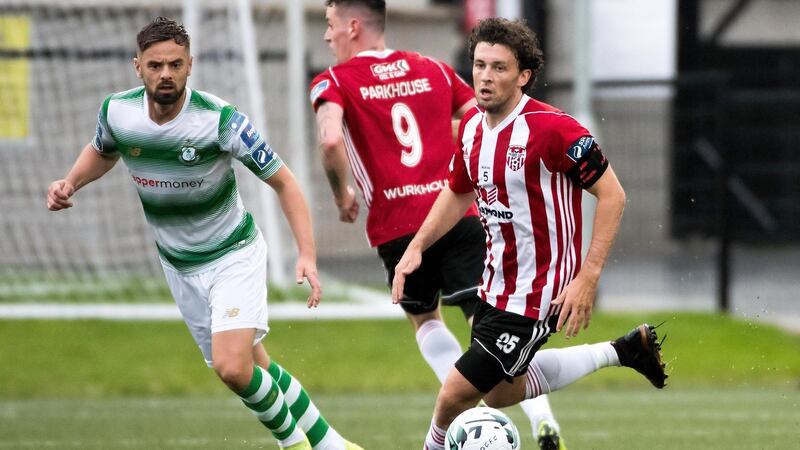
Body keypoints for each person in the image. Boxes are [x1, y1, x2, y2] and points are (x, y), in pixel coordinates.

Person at [46, 17, 361, 450]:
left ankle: (296, 445)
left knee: (233, 369)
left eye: (175, 64)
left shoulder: (220, 120)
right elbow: (104, 150)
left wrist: (306, 252)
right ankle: (335, 446)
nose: (166, 74)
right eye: (156, 65)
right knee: (255, 367)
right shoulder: (117, 112)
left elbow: (285, 181)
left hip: (233, 255)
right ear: (137, 66)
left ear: (190, 65)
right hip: (178, 265)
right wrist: (70, 183)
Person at [390, 18, 668, 450]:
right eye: (479, 65)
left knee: (454, 396)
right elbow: (457, 192)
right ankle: (624, 350)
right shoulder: (471, 131)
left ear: (524, 76)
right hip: (497, 283)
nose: (485, 76)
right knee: (499, 393)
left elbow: (613, 196)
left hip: (540, 292)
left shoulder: (555, 130)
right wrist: (417, 246)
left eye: (499, 68)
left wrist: (588, 277)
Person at [311, 2, 566, 447]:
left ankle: (465, 422)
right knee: (493, 325)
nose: (327, 37)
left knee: (426, 320)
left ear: (353, 27)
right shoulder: (432, 69)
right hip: (460, 214)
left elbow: (331, 138)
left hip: (398, 227)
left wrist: (342, 196)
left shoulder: (335, 81)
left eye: (330, 26)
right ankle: (541, 417)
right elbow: (480, 120)